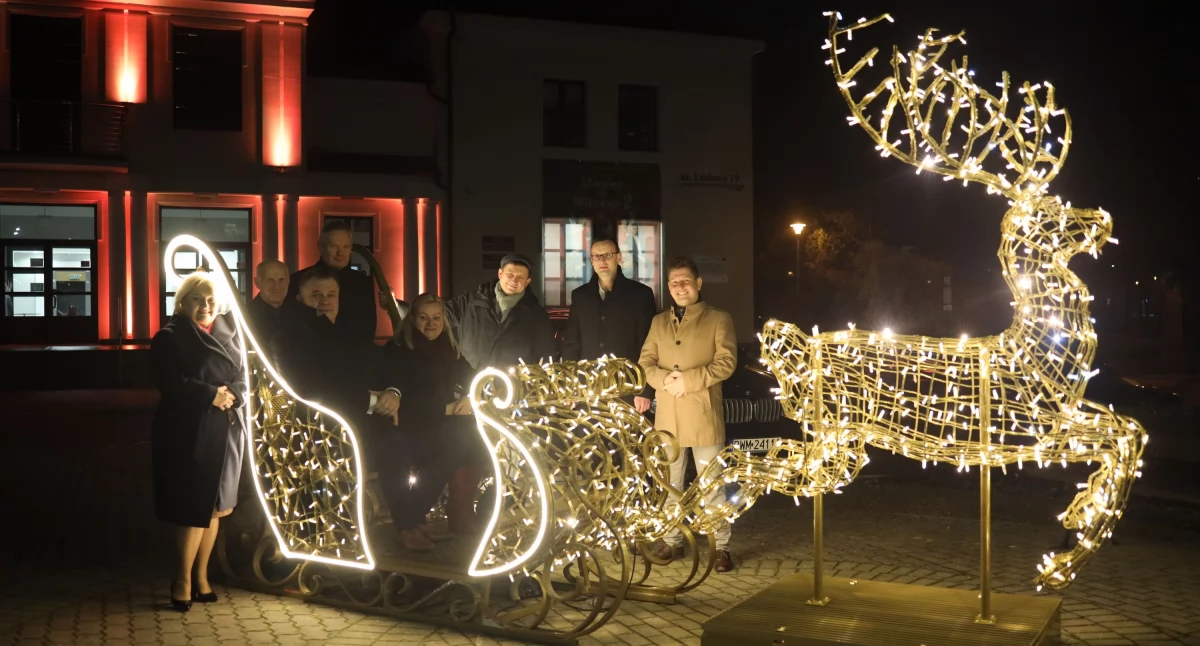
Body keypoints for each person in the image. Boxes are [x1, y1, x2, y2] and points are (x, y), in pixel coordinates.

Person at [273, 266, 448, 552]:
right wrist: (371, 402)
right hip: (320, 430)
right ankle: (405, 524)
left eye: (331, 294)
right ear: (301, 299)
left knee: (431, 439)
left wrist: (393, 391)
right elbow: (311, 389)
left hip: (362, 421)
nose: (325, 300)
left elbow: (379, 369)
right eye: (316, 295)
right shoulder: (289, 339)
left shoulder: (348, 333)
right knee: (396, 445)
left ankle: (411, 517)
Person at [150, 270, 247, 611]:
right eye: (197, 300)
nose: (205, 306)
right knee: (194, 509)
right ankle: (182, 580)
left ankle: (202, 576)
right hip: (189, 429)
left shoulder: (230, 332)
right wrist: (210, 396)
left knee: (217, 508)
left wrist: (232, 395)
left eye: (210, 300)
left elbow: (244, 375)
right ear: (182, 302)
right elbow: (170, 383)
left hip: (227, 428)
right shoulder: (169, 337)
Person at [638, 257, 737, 573]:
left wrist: (689, 381)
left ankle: (720, 546)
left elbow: (726, 363)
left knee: (712, 486)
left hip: (703, 413)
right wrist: (664, 380)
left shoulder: (719, 319)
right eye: (674, 282)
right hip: (668, 416)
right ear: (668, 287)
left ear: (698, 283)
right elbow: (646, 363)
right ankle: (671, 540)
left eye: (685, 281)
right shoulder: (658, 322)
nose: (679, 287)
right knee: (670, 484)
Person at [385, 293, 484, 536]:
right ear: (412, 319)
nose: (431, 324)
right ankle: (410, 515)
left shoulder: (448, 347)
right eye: (424, 318)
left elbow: (471, 376)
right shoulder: (399, 350)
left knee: (480, 443)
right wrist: (445, 409)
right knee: (458, 445)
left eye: (436, 318)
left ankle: (459, 509)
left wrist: (471, 396)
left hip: (444, 421)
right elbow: (401, 400)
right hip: (413, 424)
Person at [562, 237, 658, 413]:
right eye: (596, 256)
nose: (602, 261)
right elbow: (572, 342)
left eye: (607, 255)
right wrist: (570, 385)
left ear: (618, 257)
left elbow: (649, 344)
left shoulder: (640, 294)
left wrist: (646, 389)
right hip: (588, 387)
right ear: (591, 260)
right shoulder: (580, 296)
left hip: (628, 387)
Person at [443, 253, 556, 370]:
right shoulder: (470, 302)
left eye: (520, 277)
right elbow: (439, 317)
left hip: (514, 385)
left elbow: (547, 359)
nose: (514, 280)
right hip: (470, 382)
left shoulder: (537, 316)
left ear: (527, 282)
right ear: (500, 274)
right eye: (510, 274)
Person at [286, 221, 378, 342]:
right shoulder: (298, 280)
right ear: (320, 246)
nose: (340, 253)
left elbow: (369, 325)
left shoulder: (365, 283)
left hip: (357, 356)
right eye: (333, 246)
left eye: (345, 247)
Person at [246, 259, 289, 348]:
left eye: (281, 280)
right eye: (270, 280)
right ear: (257, 283)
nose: (277, 286)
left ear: (288, 281)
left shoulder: (300, 312)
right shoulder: (245, 316)